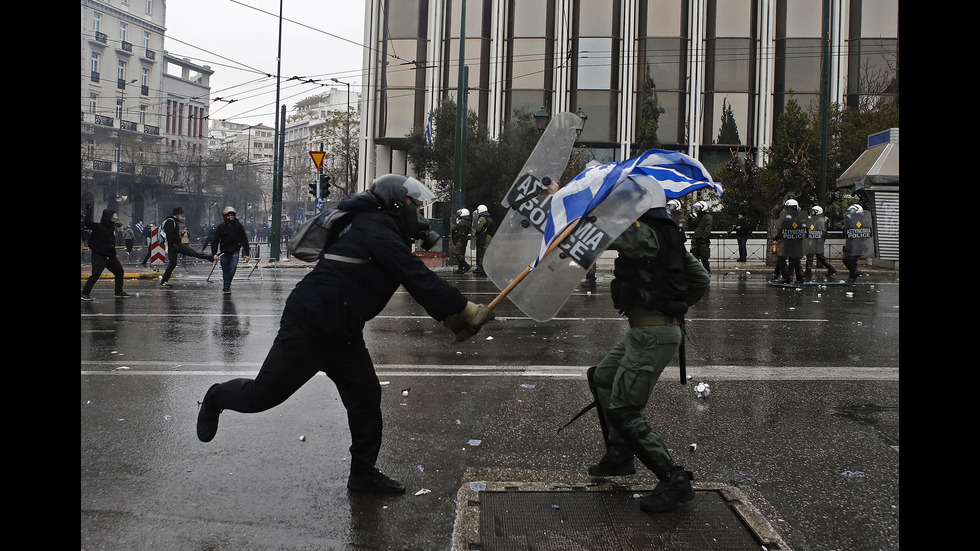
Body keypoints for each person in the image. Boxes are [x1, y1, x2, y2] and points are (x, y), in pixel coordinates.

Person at [195, 175, 495, 494]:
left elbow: (413, 280)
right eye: (413, 205)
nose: (417, 213)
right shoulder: (374, 227)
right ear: (395, 204)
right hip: (310, 324)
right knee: (261, 396)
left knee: (365, 398)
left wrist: (451, 317)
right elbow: (415, 274)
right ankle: (216, 397)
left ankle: (363, 474)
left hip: (344, 330)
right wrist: (464, 310)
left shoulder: (382, 228)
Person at [585, 205, 710, 513]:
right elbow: (700, 279)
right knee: (601, 378)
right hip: (645, 331)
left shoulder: (646, 234)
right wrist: (673, 304)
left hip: (653, 334)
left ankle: (674, 480)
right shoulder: (670, 237)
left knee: (625, 410)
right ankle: (619, 455)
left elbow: (604, 236)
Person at [81, 207, 130, 300]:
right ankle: (85, 293)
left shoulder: (111, 227)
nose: (115, 218)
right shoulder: (98, 227)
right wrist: (89, 211)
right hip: (99, 255)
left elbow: (117, 224)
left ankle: (118, 291)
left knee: (119, 271)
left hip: (110, 255)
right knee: (96, 274)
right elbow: (87, 223)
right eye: (113, 216)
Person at [159, 207, 214, 288]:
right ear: (177, 214)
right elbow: (169, 236)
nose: (182, 217)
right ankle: (163, 281)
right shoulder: (170, 222)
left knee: (192, 253)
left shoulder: (173, 221)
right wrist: (174, 246)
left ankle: (210, 257)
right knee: (173, 263)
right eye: (181, 214)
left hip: (177, 245)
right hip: (174, 246)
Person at [210, 206, 252, 294]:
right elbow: (215, 240)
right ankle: (226, 286)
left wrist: (246, 253)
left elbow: (244, 239)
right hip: (224, 251)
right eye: (228, 215)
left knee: (232, 268)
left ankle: (227, 285)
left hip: (235, 251)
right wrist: (214, 253)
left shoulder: (239, 227)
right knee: (225, 269)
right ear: (225, 217)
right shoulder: (221, 227)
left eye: (232, 215)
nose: (230, 217)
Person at [775, 199, 806, 284]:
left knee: (795, 259)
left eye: (790, 208)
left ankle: (800, 278)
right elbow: (781, 227)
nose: (788, 210)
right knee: (781, 257)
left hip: (795, 241)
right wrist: (779, 235)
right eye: (787, 208)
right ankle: (786, 277)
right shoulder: (785, 217)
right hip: (786, 240)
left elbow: (804, 228)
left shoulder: (800, 217)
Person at [804, 206, 837, 281]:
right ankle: (830, 268)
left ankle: (808, 271)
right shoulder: (815, 219)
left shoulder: (821, 221)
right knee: (816, 255)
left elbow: (821, 231)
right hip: (814, 239)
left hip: (817, 240)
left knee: (813, 255)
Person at [842, 204, 872, 284]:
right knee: (845, 260)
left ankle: (851, 278)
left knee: (853, 261)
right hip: (850, 243)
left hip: (858, 244)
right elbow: (845, 229)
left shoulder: (863, 220)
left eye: (852, 211)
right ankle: (855, 272)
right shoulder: (850, 219)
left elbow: (867, 231)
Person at [688, 200, 712, 273]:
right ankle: (696, 273)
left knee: (704, 257)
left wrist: (704, 238)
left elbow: (708, 228)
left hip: (703, 240)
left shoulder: (707, 217)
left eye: (697, 208)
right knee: (695, 257)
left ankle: (707, 272)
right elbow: (693, 226)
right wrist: (690, 219)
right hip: (696, 239)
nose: (696, 210)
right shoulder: (699, 217)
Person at [472, 204, 496, 275]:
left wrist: (474, 224)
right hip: (489, 238)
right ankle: (487, 267)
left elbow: (477, 228)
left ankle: (481, 267)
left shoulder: (482, 219)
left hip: (484, 239)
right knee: (487, 253)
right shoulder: (489, 218)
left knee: (481, 253)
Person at [450, 208, 473, 274]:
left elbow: (454, 229)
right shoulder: (468, 222)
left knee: (457, 252)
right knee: (462, 253)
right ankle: (460, 268)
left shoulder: (461, 221)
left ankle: (465, 265)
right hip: (464, 238)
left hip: (459, 239)